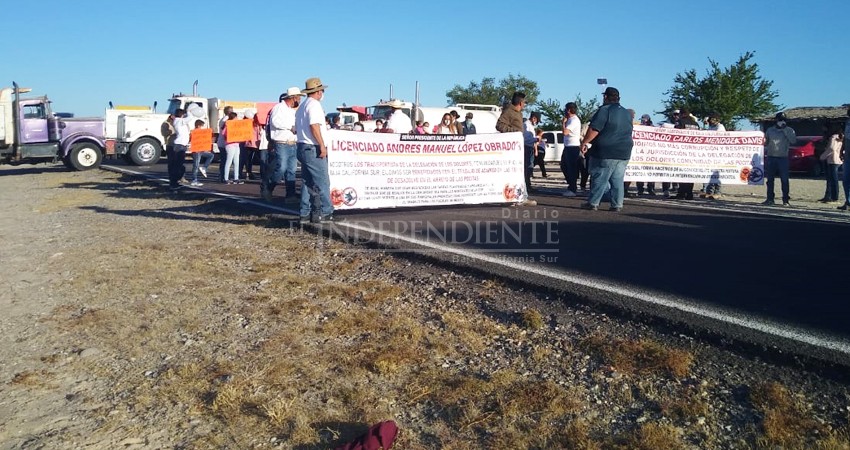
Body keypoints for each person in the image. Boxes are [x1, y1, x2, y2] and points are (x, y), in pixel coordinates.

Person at [579, 87, 634, 211]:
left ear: (605, 97)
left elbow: (594, 129)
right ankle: (617, 204)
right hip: (624, 150)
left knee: (599, 176)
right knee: (618, 179)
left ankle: (593, 203)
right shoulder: (627, 113)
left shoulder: (604, 110)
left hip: (606, 149)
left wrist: (584, 142)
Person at [296, 77, 339, 223]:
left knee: (307, 181)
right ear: (319, 92)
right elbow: (314, 126)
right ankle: (326, 212)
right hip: (312, 146)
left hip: (302, 145)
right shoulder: (314, 105)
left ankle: (305, 213)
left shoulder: (303, 106)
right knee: (322, 181)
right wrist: (321, 144)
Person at [496, 91, 536, 206]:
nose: (525, 105)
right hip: (510, 148)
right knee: (513, 172)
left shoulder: (518, 113)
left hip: (517, 147)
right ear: (520, 102)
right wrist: (515, 132)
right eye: (524, 102)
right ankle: (513, 197)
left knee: (519, 172)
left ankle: (521, 197)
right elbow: (499, 125)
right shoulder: (509, 111)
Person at [263, 87, 302, 201]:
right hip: (282, 143)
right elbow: (275, 122)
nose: (299, 100)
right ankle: (269, 188)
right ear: (293, 97)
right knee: (282, 168)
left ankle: (290, 195)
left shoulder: (292, 110)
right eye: (298, 97)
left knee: (292, 170)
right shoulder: (278, 108)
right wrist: (290, 127)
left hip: (292, 142)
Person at [762, 112, 796, 206]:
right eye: (780, 120)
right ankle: (770, 199)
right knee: (770, 180)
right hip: (771, 157)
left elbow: (793, 140)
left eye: (783, 120)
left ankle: (785, 200)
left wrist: (784, 130)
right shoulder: (770, 130)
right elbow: (766, 142)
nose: (782, 121)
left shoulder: (789, 130)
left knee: (784, 180)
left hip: (783, 158)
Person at [672, 108, 700, 200]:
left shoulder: (680, 122)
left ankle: (681, 193)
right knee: (690, 173)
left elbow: (675, 134)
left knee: (682, 173)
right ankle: (689, 193)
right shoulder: (696, 124)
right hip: (693, 152)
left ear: (682, 114)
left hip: (682, 151)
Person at [560, 102, 582, 197]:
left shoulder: (574, 120)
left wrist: (563, 123)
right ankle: (571, 185)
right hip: (567, 146)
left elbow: (565, 132)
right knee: (564, 166)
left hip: (573, 147)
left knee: (571, 168)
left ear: (569, 110)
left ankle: (573, 188)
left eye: (566, 109)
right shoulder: (570, 120)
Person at [702, 113, 726, 199]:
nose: (711, 121)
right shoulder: (711, 127)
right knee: (709, 173)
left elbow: (715, 137)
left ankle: (717, 192)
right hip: (710, 153)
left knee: (716, 172)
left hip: (718, 154)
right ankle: (709, 191)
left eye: (712, 120)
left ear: (717, 120)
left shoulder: (720, 127)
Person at [168, 108, 191, 190]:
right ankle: (173, 183)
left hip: (181, 144)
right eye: (183, 114)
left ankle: (174, 182)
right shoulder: (179, 121)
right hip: (179, 145)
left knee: (178, 165)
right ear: (181, 114)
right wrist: (189, 111)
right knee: (177, 165)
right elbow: (190, 117)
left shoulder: (179, 121)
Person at [635, 114, 656, 196]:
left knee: (651, 172)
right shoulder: (639, 127)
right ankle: (640, 189)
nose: (642, 121)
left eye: (644, 119)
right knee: (639, 172)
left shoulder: (652, 127)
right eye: (642, 119)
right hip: (641, 153)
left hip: (651, 153)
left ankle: (651, 188)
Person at [820, 131, 844, 203]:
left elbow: (831, 148)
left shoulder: (834, 137)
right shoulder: (841, 137)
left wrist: (823, 156)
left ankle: (832, 196)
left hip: (832, 159)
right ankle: (831, 195)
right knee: (833, 179)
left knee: (832, 179)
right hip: (836, 159)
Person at [189, 119, 214, 187]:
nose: (203, 127)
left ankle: (204, 167)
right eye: (202, 126)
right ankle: (194, 180)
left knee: (211, 156)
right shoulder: (194, 132)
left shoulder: (201, 132)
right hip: (196, 151)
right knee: (196, 165)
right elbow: (191, 139)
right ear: (198, 125)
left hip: (201, 150)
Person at [240, 109, 261, 181]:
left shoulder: (247, 122)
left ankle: (248, 172)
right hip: (255, 143)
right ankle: (249, 172)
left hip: (248, 142)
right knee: (256, 159)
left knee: (248, 159)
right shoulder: (257, 123)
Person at [523, 112, 541, 190]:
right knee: (528, 167)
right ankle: (527, 186)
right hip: (527, 147)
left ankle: (528, 185)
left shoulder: (529, 125)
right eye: (537, 121)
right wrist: (536, 139)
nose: (536, 123)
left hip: (530, 147)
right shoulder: (526, 125)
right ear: (534, 118)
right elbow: (526, 139)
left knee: (529, 167)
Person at [217, 105, 234, 181]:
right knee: (225, 160)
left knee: (224, 160)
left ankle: (222, 175)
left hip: (222, 142)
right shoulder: (226, 119)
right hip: (224, 143)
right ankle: (223, 176)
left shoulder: (223, 119)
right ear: (229, 112)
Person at [840, 108, 850, 211]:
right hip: (848, 156)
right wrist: (841, 150)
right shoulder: (847, 123)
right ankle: (848, 201)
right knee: (846, 180)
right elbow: (846, 139)